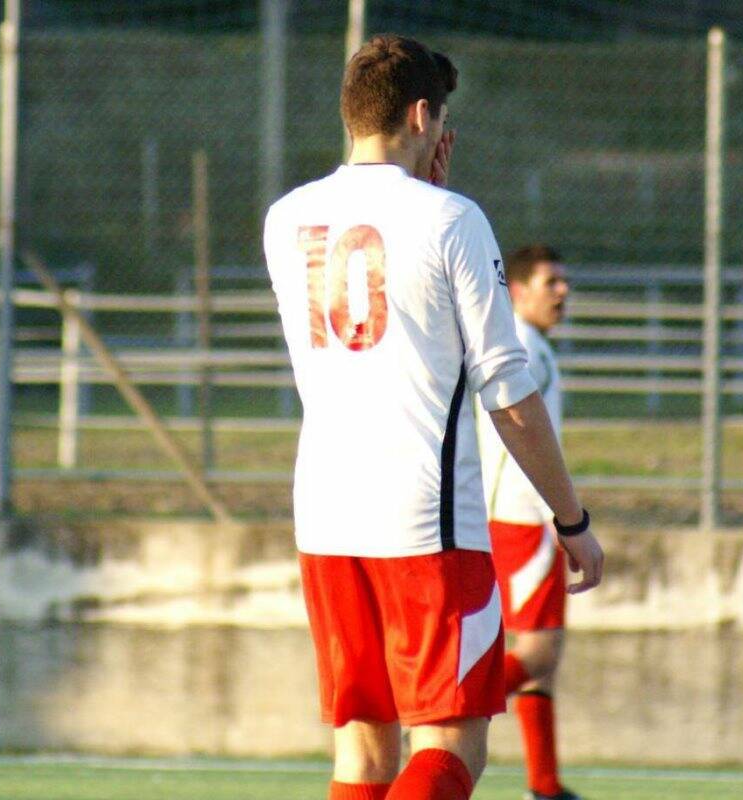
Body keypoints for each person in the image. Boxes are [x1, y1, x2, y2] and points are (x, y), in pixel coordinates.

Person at [264, 34, 603, 800]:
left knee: (363, 756)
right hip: (426, 521)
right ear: (423, 115)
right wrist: (571, 519)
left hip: (323, 512)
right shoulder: (452, 219)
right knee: (453, 744)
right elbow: (508, 394)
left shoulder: (285, 219)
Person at [477, 245, 583, 800]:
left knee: (543, 662)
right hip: (525, 519)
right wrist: (562, 519)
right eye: (550, 282)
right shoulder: (522, 347)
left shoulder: (528, 345)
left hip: (521, 519)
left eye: (564, 282)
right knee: (538, 651)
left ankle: (546, 786)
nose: (562, 292)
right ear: (518, 290)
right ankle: (446, 713)